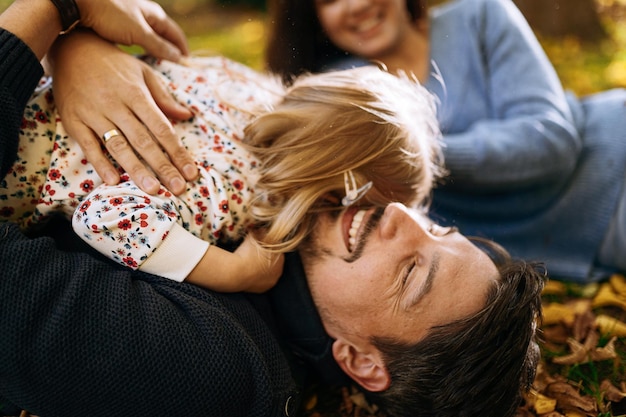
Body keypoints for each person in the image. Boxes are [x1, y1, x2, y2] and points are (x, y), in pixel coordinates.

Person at [0, 1, 545, 416]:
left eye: (412, 274)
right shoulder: (279, 196)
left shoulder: (210, 366)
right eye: (438, 230)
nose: (401, 218)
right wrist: (81, 49)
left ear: (361, 360)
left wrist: (52, 14)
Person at [2, 51, 443, 292]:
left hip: (22, 75)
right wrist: (232, 273)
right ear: (336, 192)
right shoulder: (234, 190)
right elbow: (103, 215)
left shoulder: (236, 79)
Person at [265, 0, 626, 284]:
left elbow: (551, 139)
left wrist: (409, 151)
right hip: (582, 233)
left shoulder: (481, 15)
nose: (357, 3)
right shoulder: (337, 90)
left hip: (612, 151)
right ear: (313, 16)